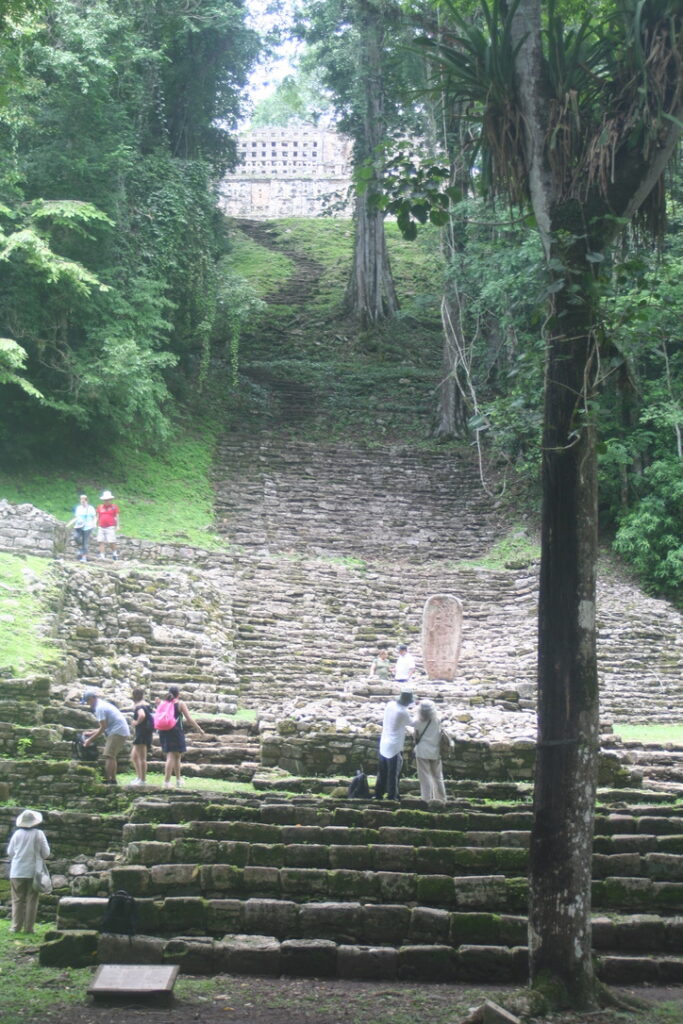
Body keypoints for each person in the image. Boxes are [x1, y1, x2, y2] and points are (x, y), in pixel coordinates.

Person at [6, 808, 50, 934]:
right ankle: (29, 928)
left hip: (17, 870)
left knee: (17, 899)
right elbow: (46, 853)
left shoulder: (17, 834)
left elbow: (10, 852)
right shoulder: (39, 834)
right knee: (32, 899)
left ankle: (15, 927)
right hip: (33, 871)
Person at [158, 685, 205, 788]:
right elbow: (189, 719)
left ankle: (178, 779)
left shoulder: (164, 703)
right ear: (178, 694)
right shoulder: (180, 704)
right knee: (171, 756)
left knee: (177, 756)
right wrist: (199, 729)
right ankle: (166, 782)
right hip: (175, 731)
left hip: (163, 731)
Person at [81, 690, 131, 784]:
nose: (88, 704)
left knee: (108, 755)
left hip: (117, 731)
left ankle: (107, 780)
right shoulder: (102, 704)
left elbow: (103, 728)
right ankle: (113, 780)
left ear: (92, 698)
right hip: (120, 730)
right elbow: (105, 726)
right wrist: (91, 733)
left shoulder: (99, 708)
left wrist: (89, 740)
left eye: (88, 701)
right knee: (112, 756)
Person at [374, 690, 413, 801]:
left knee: (382, 772)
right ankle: (392, 796)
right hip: (394, 746)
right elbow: (412, 723)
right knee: (393, 773)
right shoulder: (403, 712)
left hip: (384, 743)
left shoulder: (390, 705)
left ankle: (378, 794)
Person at [413, 700, 447, 803]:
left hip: (422, 751)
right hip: (435, 751)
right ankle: (441, 799)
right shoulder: (437, 720)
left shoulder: (417, 722)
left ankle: (426, 799)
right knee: (437, 776)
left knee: (424, 777)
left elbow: (415, 737)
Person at [129, 687, 154, 786]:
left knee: (141, 757)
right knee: (134, 756)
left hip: (142, 733)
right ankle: (139, 777)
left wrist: (136, 722)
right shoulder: (147, 705)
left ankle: (143, 780)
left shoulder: (139, 706)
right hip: (145, 733)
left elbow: (142, 715)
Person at [67, 494, 96, 562]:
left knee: (85, 542)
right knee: (76, 537)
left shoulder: (90, 508)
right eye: (81, 500)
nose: (82, 501)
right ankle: (81, 549)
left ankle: (84, 557)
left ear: (86, 501)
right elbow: (76, 518)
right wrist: (69, 524)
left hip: (88, 527)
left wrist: (94, 524)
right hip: (79, 526)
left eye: (83, 500)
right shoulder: (79, 508)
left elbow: (94, 517)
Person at [96, 490, 120, 560]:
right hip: (101, 526)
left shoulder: (114, 507)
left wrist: (117, 525)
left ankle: (114, 553)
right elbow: (97, 516)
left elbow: (117, 516)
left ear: (110, 500)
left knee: (111, 541)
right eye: (105, 500)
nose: (106, 501)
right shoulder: (100, 507)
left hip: (110, 526)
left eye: (108, 500)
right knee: (100, 541)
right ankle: (102, 555)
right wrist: (95, 523)